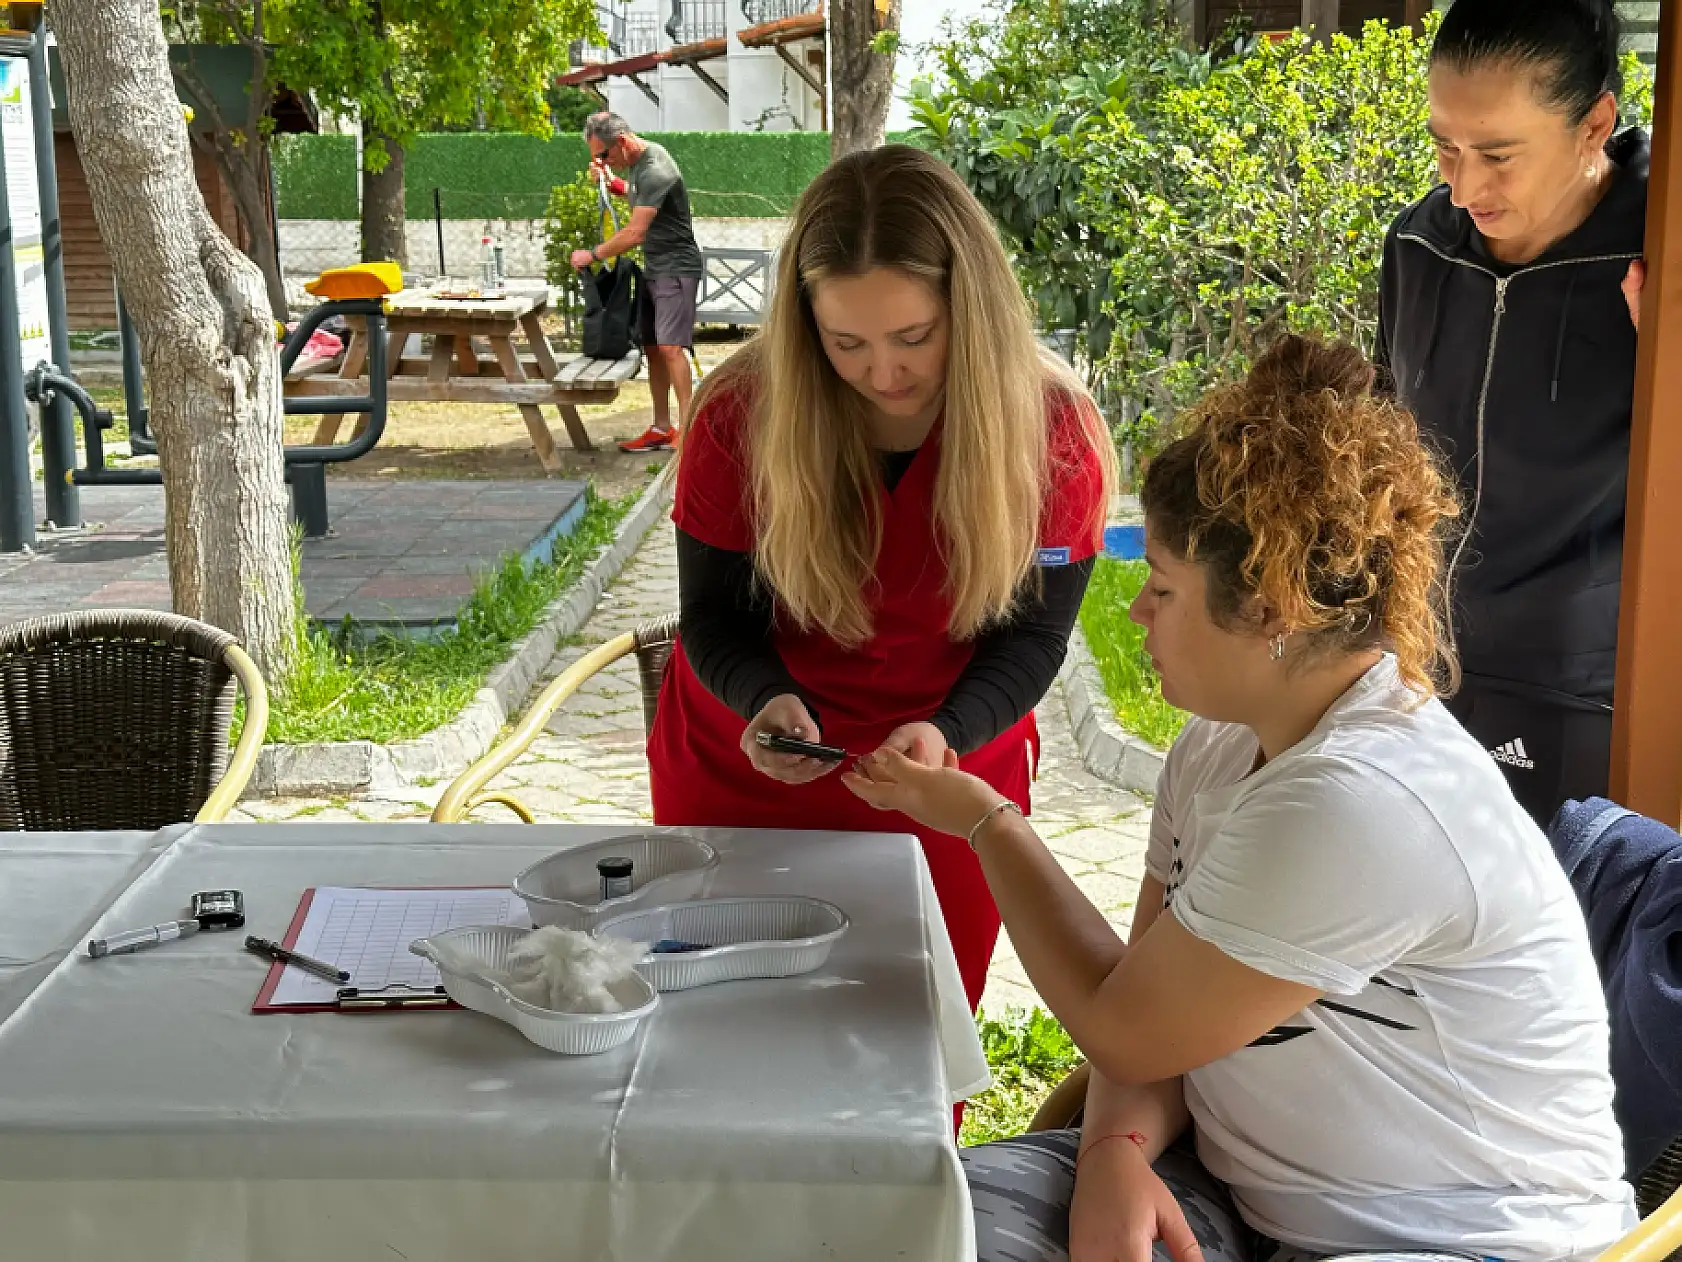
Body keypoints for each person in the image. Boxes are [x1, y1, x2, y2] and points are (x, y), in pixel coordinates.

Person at [845, 335, 1636, 1262]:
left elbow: (1123, 1028)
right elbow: (1148, 1005)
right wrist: (1114, 1150)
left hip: (1455, 1236)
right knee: (907, 1231)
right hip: (1243, 1195)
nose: (1138, 612)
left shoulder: (1364, 801)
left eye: (1165, 587)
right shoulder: (1219, 749)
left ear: (1269, 610)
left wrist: (984, 819)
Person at [647, 143, 1116, 1016]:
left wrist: (948, 731)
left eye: (915, 337)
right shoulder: (738, 412)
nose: (885, 374)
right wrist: (761, 697)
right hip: (742, 769)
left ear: (968, 310)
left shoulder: (1050, 430)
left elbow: (1036, 637)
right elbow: (710, 619)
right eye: (845, 343)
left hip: (946, 779)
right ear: (802, 324)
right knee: (722, 1039)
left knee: (917, 1046)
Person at [1376, 0, 1649, 827]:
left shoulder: (1653, 252)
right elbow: (1389, 446)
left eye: (1497, 154)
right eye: (1444, 146)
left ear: (1594, 122)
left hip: (1579, 695)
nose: (1463, 187)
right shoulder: (1418, 245)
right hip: (1416, 672)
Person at [571, 112, 703, 454]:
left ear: (624, 142)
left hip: (676, 269)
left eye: (603, 154)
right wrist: (612, 182)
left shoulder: (655, 167)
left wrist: (594, 254)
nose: (600, 161)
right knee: (655, 349)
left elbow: (635, 232)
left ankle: (688, 433)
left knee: (673, 348)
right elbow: (638, 195)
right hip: (656, 268)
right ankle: (661, 427)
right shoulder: (639, 166)